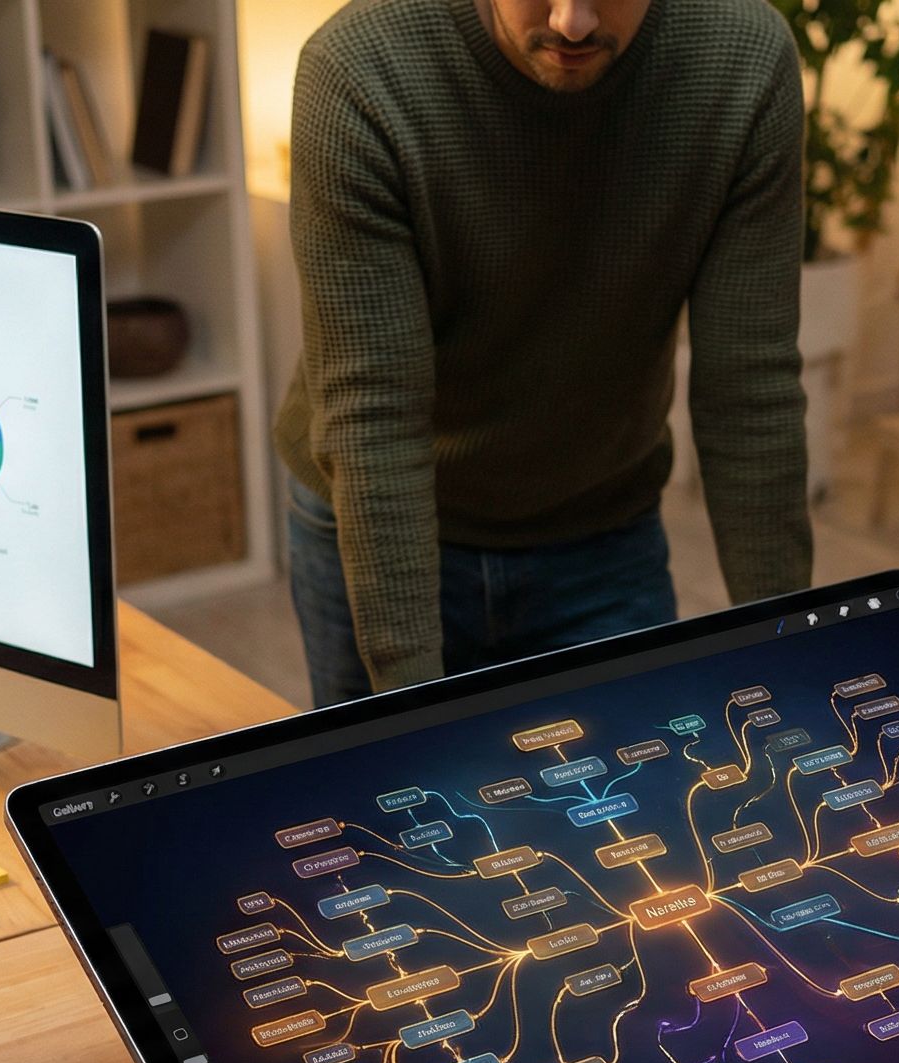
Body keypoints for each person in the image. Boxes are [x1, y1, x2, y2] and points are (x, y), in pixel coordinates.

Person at [276, 0, 813, 705]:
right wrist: (410, 710)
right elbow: (374, 416)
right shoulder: (359, 71)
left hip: (601, 525)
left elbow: (751, 391)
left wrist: (791, 658)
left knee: (641, 764)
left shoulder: (745, 59)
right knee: (391, 770)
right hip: (381, 512)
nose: (572, 23)